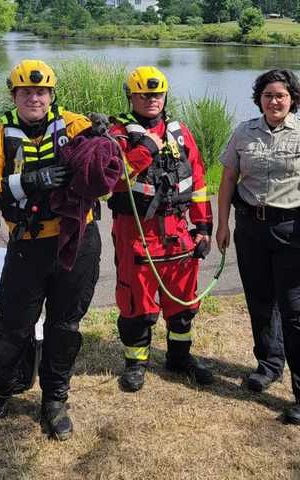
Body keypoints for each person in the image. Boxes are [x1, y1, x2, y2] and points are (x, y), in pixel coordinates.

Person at [0, 59, 101, 441]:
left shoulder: (75, 125)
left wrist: (107, 136)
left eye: (41, 92)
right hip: (28, 244)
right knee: (13, 327)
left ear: (51, 95)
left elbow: (108, 161)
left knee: (65, 325)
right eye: (26, 92)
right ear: (14, 96)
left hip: (76, 241)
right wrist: (28, 181)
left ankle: (55, 399)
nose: (34, 98)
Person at [216, 69, 300, 425]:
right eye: (268, 95)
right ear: (260, 99)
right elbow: (227, 180)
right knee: (261, 303)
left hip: (294, 231)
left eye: (281, 95)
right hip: (251, 229)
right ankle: (269, 365)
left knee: (297, 313)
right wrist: (223, 223)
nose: (274, 101)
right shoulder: (243, 132)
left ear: (292, 98)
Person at [107, 66, 214, 393]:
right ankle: (136, 363)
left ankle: (179, 358)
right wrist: (147, 149)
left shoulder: (180, 132)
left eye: (157, 94)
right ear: (131, 96)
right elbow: (113, 177)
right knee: (136, 302)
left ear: (165, 95)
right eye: (144, 94)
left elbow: (196, 179)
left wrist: (203, 226)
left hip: (178, 230)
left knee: (183, 301)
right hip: (137, 231)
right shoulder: (117, 134)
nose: (151, 99)